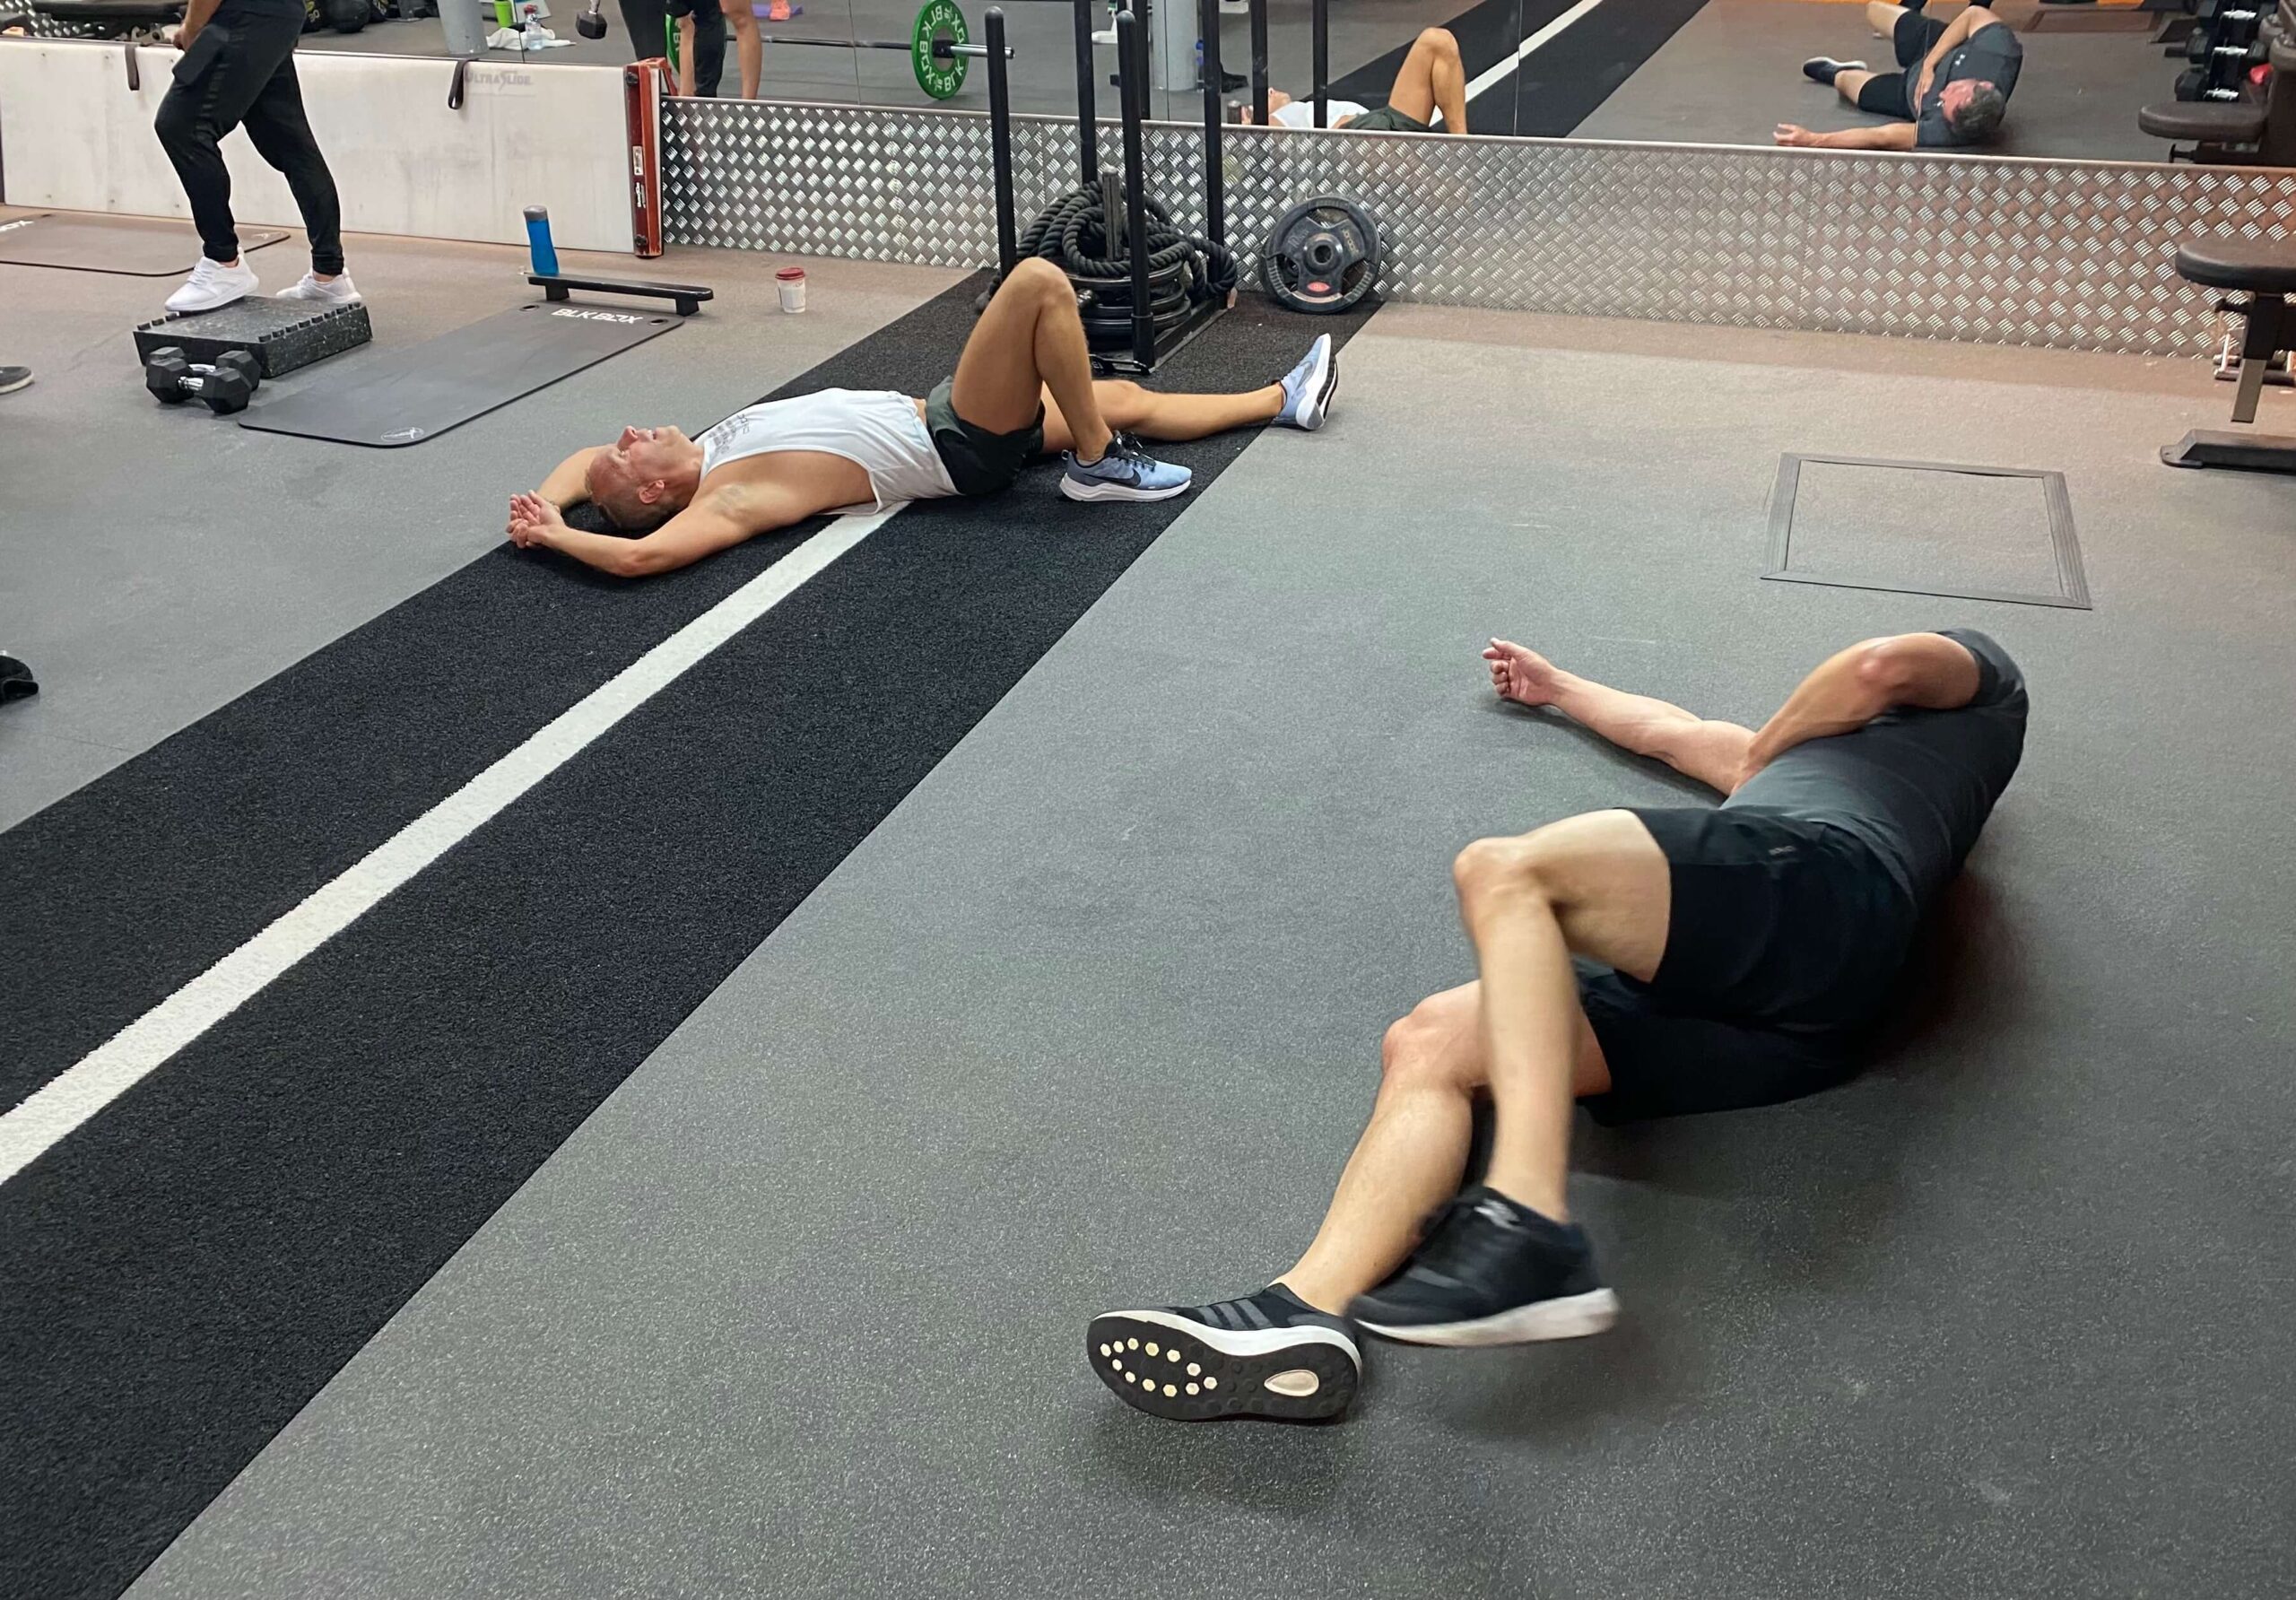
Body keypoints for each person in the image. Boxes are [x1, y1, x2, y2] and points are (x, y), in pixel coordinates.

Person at [1090, 630, 2027, 1422]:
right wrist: (1562, 688)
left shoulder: (1980, 691)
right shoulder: (1821, 762)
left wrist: (1764, 758)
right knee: (1430, 1042)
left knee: (1506, 871)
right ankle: (1302, 1312)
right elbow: (1674, 732)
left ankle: (1527, 1215)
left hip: (1827, 885)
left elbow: (1876, 669)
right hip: (1799, 1024)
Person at [506, 258, 1342, 579]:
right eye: (632, 453)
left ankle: (1282, 399)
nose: (627, 434)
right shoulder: (725, 497)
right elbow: (641, 554)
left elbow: (586, 464)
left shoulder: (704, 447)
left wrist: (543, 506)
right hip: (959, 445)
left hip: (943, 419)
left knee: (1114, 398)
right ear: (655, 490)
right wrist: (562, 540)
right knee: (1039, 284)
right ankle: (1097, 467)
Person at [153, 0, 358, 314]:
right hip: (279, 14)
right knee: (290, 143)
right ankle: (328, 276)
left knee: (181, 127)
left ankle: (224, 263)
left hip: (244, 14)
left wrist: (193, 28)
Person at [1779, 0, 2021, 151]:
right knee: (1874, 9)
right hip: (1938, 48)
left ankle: (1843, 69)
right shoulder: (1999, 52)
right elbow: (1974, 14)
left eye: (1945, 103)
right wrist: (1929, 64)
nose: (1944, 92)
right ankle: (1906, 37)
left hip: (1906, 94)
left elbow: (1882, 136)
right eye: (1956, 89)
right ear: (1985, 84)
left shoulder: (1953, 130)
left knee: (1844, 82)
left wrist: (1814, 140)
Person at [1248, 28, 1467, 135]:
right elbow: (1266, 147)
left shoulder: (1300, 110)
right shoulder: (1276, 121)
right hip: (1359, 134)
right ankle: (1462, 151)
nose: (1271, 90)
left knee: (1439, 43)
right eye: (1251, 108)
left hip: (1377, 122)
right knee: (1436, 41)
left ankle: (1462, 147)